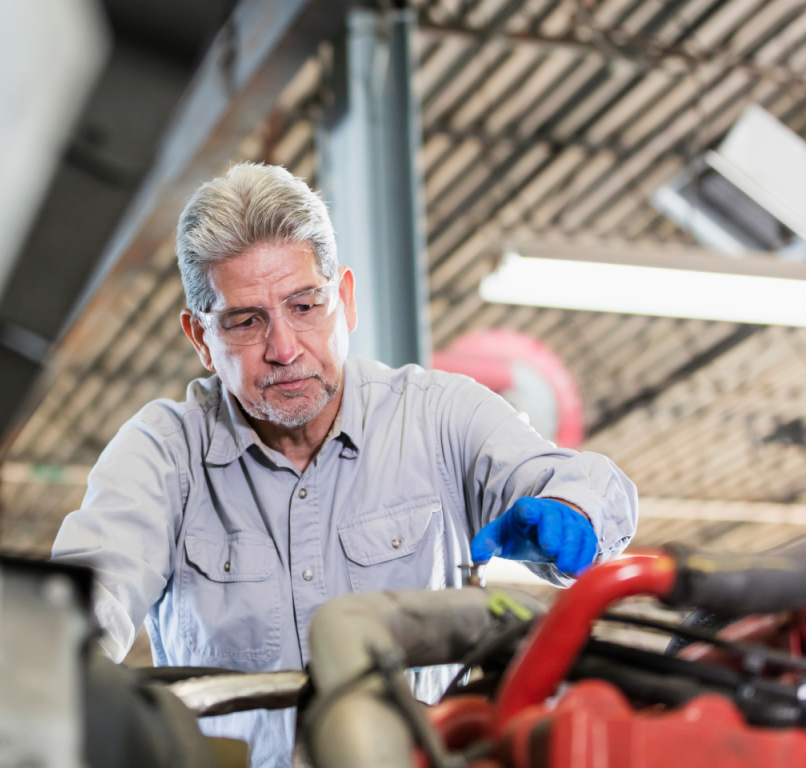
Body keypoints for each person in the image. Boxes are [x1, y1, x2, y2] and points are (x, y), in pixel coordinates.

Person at [51, 163, 637, 767]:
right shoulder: (163, 452)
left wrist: (573, 511)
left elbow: (582, 482)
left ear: (346, 300)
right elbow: (83, 601)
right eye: (246, 321)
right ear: (201, 339)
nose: (283, 349)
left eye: (305, 306)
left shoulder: (438, 418)